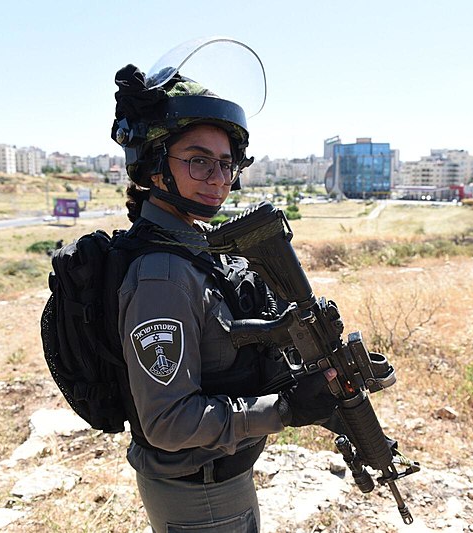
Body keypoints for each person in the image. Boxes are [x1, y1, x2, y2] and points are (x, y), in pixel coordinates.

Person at [110, 43, 340, 533]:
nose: (217, 178)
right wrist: (283, 410)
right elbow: (169, 421)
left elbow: (221, 347)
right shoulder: (161, 274)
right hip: (200, 494)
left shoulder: (192, 247)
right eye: (198, 161)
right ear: (155, 166)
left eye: (226, 163)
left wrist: (288, 337)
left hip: (214, 482)